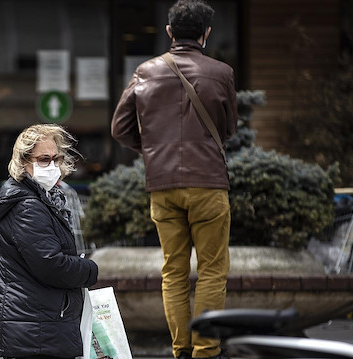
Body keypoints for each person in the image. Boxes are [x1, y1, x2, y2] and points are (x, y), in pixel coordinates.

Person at [111, 1, 237, 358]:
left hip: (162, 186)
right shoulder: (222, 72)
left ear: (169, 32)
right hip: (208, 183)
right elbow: (228, 129)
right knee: (212, 270)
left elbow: (119, 129)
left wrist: (152, 151)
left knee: (174, 271)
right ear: (206, 33)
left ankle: (181, 349)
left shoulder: (145, 71)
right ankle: (206, 350)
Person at [0, 124, 99, 359]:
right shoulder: (29, 207)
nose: (53, 166)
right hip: (37, 329)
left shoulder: (43, 201)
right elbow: (50, 264)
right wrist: (90, 269)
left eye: (56, 158)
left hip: (39, 325)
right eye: (44, 159)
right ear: (24, 162)